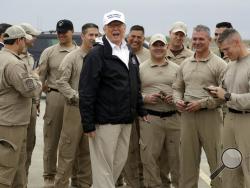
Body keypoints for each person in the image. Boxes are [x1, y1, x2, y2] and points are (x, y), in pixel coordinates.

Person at [78, 10, 148, 188]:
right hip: (105, 121)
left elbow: (135, 84)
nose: (115, 29)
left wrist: (140, 108)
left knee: (116, 164)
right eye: (111, 26)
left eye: (118, 25)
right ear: (105, 29)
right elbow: (86, 91)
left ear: (124, 28)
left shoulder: (129, 53)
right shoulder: (96, 55)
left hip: (126, 119)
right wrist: (88, 123)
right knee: (103, 168)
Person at [172, 25, 227, 188]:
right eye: (194, 38)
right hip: (187, 118)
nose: (197, 42)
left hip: (210, 117)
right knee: (187, 163)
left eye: (201, 39)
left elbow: (225, 94)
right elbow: (177, 87)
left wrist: (202, 103)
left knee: (216, 161)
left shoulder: (220, 64)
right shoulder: (185, 64)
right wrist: (177, 100)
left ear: (209, 40)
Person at [54, 23, 99, 188]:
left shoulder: (99, 57)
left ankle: (84, 185)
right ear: (83, 36)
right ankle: (60, 185)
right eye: (90, 35)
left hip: (93, 112)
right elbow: (61, 82)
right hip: (74, 110)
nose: (93, 38)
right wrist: (77, 96)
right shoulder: (72, 57)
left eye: (96, 35)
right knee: (67, 153)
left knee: (87, 154)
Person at [38, 19, 78, 187]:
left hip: (75, 100)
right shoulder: (49, 52)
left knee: (73, 140)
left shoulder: (80, 52)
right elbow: (40, 76)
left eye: (65, 32)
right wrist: (36, 100)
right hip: (55, 97)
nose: (61, 35)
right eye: (59, 32)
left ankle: (71, 176)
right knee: (51, 140)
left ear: (72, 32)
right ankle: (49, 176)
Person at [0, 25, 41, 187]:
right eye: (25, 39)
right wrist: (35, 77)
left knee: (17, 168)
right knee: (7, 169)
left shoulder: (2, 57)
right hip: (11, 123)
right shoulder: (14, 63)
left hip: (9, 120)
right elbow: (30, 90)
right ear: (19, 41)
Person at [209, 28, 250, 188]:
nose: (225, 53)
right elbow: (225, 90)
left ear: (237, 42)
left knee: (247, 166)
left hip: (246, 120)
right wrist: (215, 93)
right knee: (230, 167)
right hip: (230, 119)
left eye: (227, 49)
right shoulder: (230, 66)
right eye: (222, 50)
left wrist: (227, 96)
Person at [139, 33, 180, 188]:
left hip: (174, 118)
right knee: (149, 158)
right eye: (155, 45)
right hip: (150, 118)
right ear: (150, 47)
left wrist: (174, 98)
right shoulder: (141, 68)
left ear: (167, 47)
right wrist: (145, 98)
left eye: (161, 45)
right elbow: (132, 92)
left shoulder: (177, 68)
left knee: (176, 158)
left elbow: (183, 90)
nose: (158, 48)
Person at [160, 21, 193, 188]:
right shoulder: (159, 51)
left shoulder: (191, 56)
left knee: (179, 156)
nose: (179, 37)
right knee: (162, 157)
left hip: (180, 112)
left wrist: (178, 98)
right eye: (176, 34)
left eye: (182, 35)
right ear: (170, 34)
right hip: (160, 110)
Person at [123, 24, 150, 188]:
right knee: (128, 148)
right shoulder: (121, 53)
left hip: (146, 109)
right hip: (127, 108)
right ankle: (130, 182)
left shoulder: (150, 54)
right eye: (133, 36)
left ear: (143, 38)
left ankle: (143, 180)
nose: (135, 39)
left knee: (145, 147)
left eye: (139, 37)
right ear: (128, 36)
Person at [19, 23, 41, 182]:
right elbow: (26, 83)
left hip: (30, 107)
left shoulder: (30, 57)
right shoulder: (10, 57)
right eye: (32, 36)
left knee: (29, 146)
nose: (35, 39)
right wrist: (35, 77)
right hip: (15, 110)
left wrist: (37, 101)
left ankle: (23, 180)